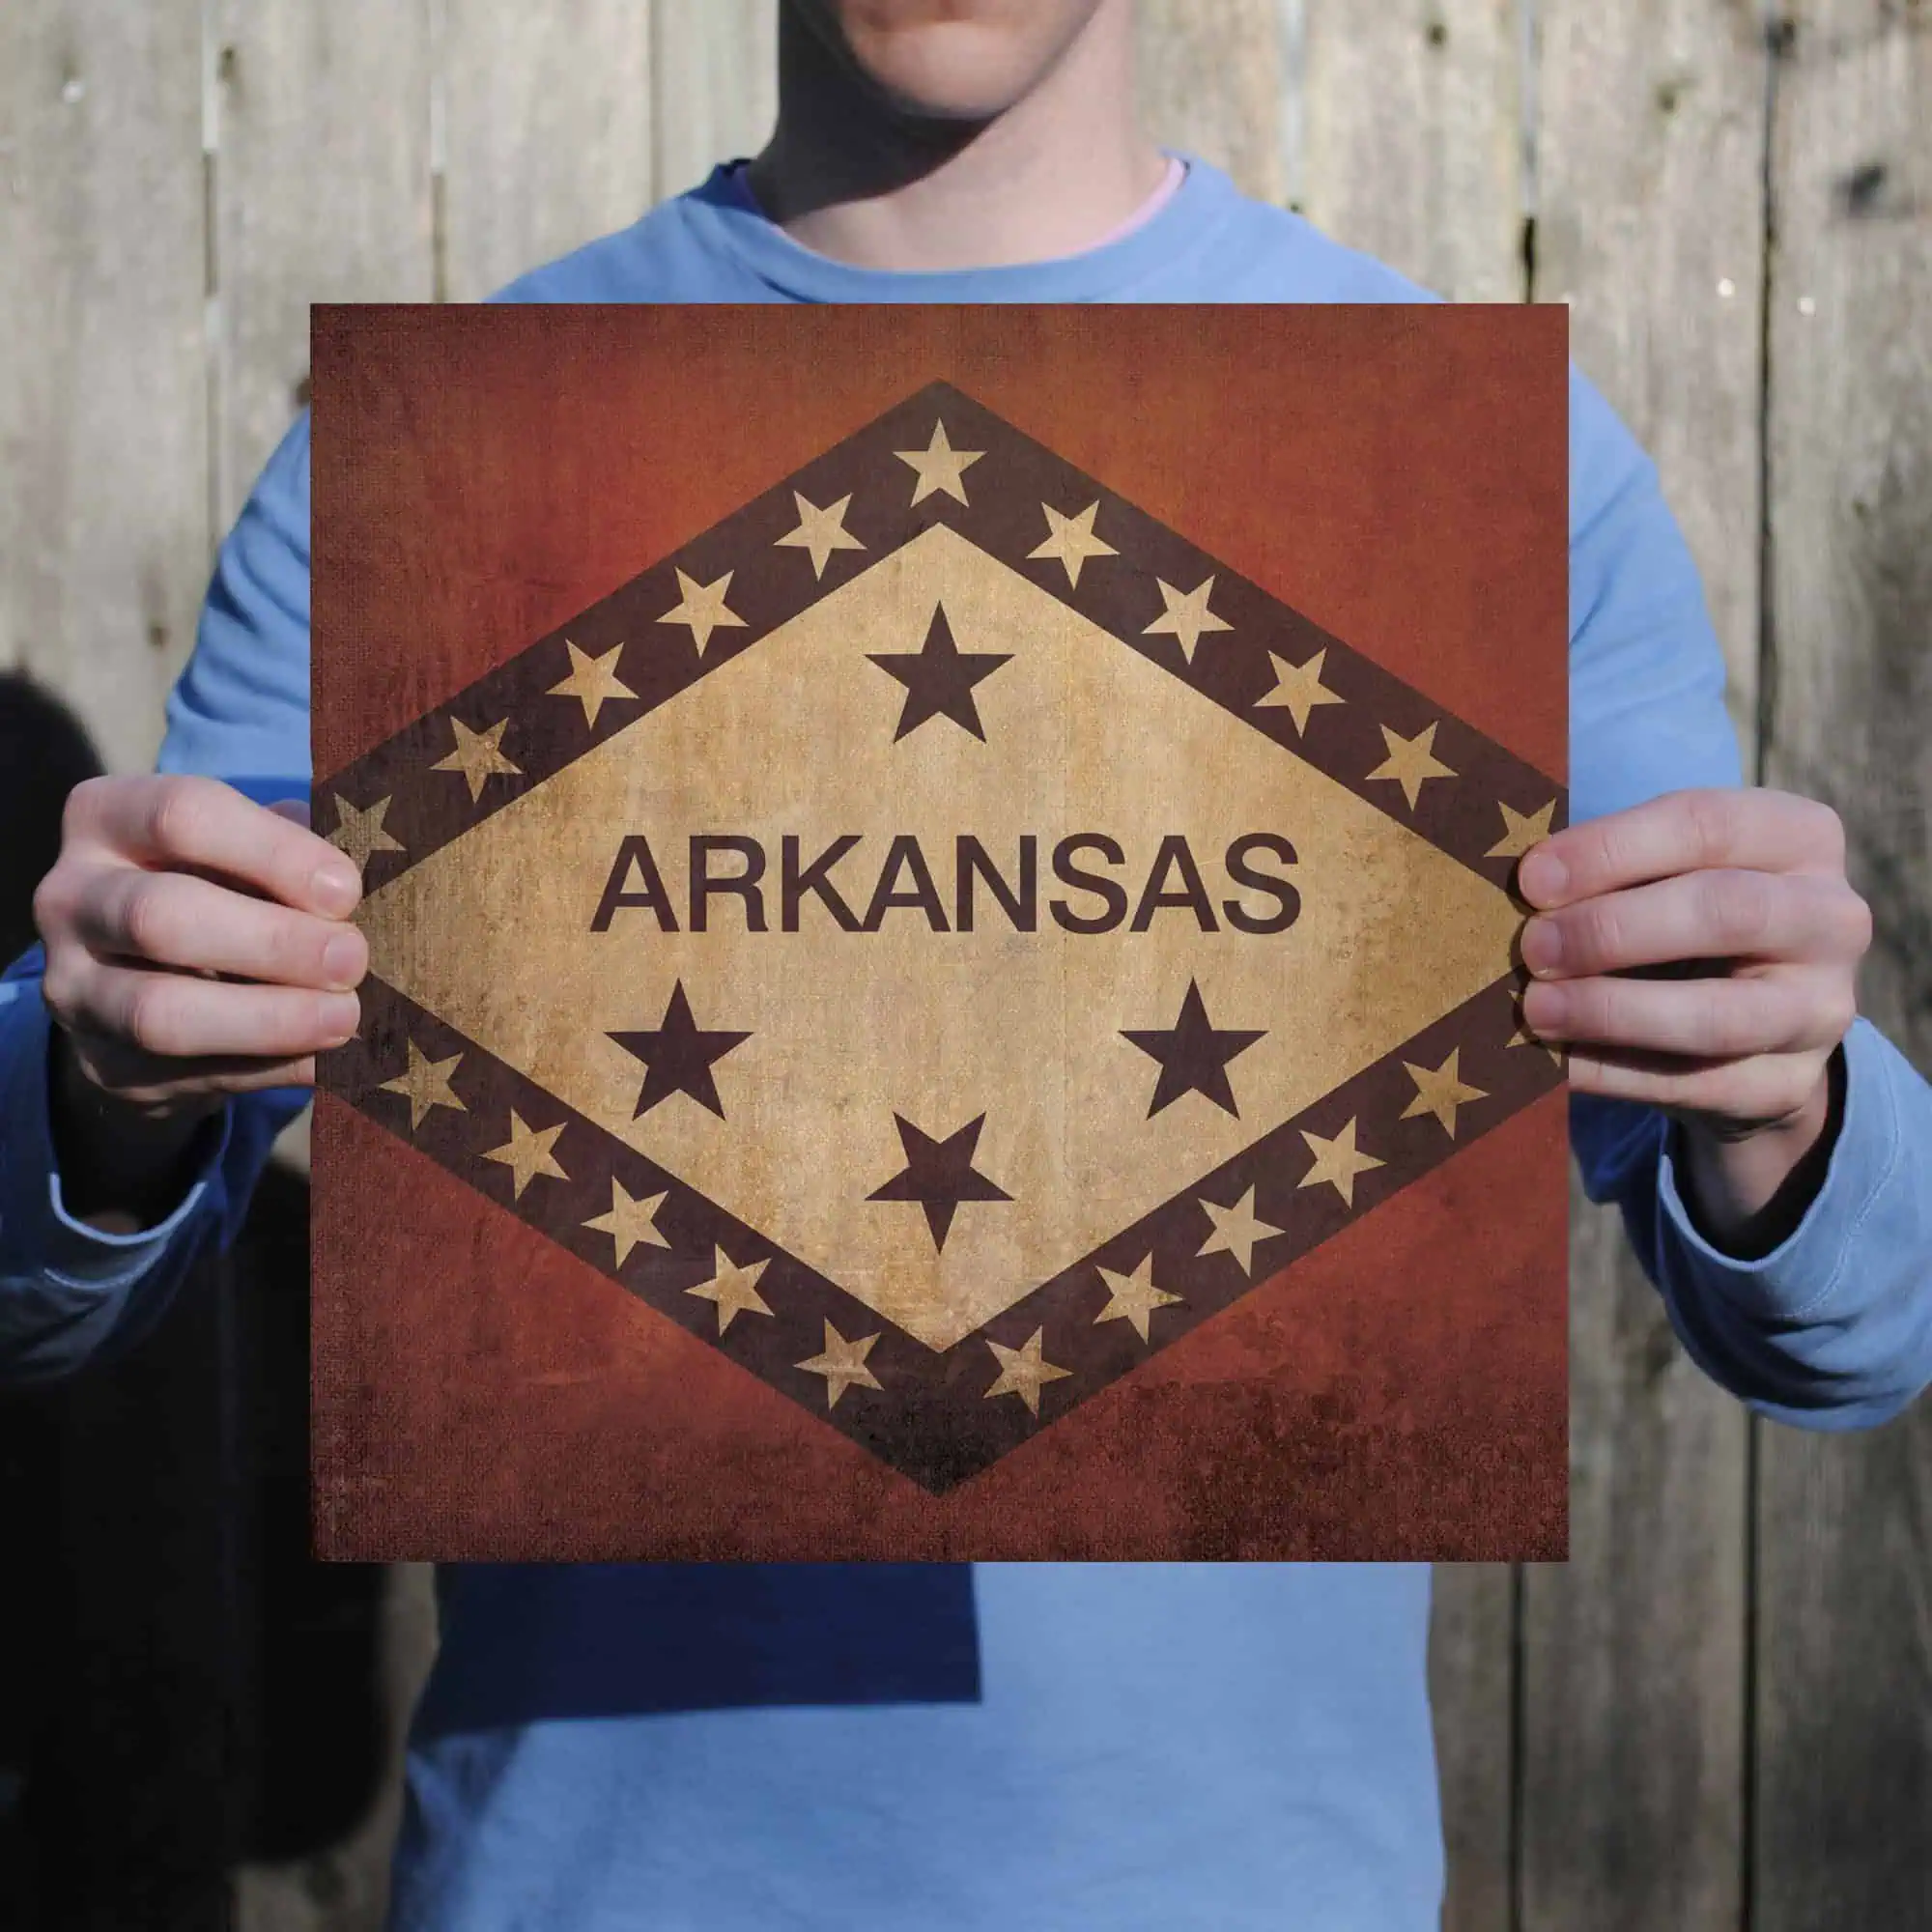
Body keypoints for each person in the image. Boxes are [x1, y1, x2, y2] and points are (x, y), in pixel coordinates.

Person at [4, 2, 1929, 1925]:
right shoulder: (422, 463)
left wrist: (1786, 1092)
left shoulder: (1488, 464)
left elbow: (1855, 1326)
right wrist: (98, 1080)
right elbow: (46, 1296)